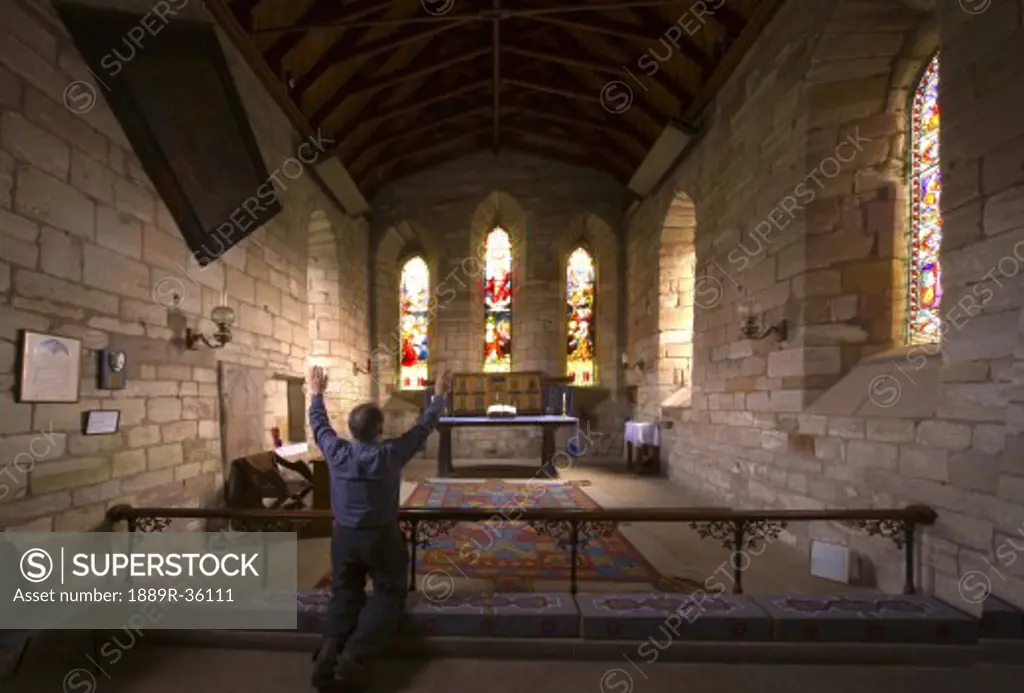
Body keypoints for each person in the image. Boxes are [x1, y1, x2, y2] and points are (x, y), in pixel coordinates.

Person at [307, 365, 452, 692]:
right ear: (380, 429)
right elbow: (423, 427)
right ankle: (355, 655)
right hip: (381, 537)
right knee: (389, 592)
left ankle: (329, 649)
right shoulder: (390, 453)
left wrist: (316, 392)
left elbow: (319, 424)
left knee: (345, 591)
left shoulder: (336, 451)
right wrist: (439, 395)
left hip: (344, 536)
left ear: (352, 429)